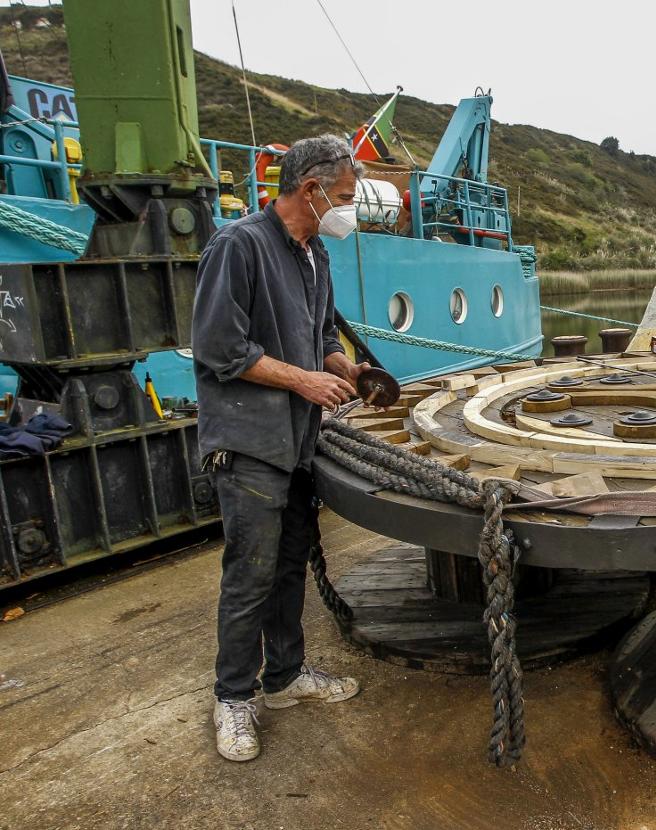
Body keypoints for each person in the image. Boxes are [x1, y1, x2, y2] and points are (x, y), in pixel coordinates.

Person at [192, 135, 369, 762]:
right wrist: (303, 380)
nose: (349, 208)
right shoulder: (239, 245)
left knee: (289, 563)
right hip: (248, 444)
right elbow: (219, 350)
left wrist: (342, 365)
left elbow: (320, 331)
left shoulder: (313, 253)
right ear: (311, 189)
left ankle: (286, 678)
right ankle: (233, 697)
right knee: (250, 575)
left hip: (297, 441)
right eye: (344, 197)